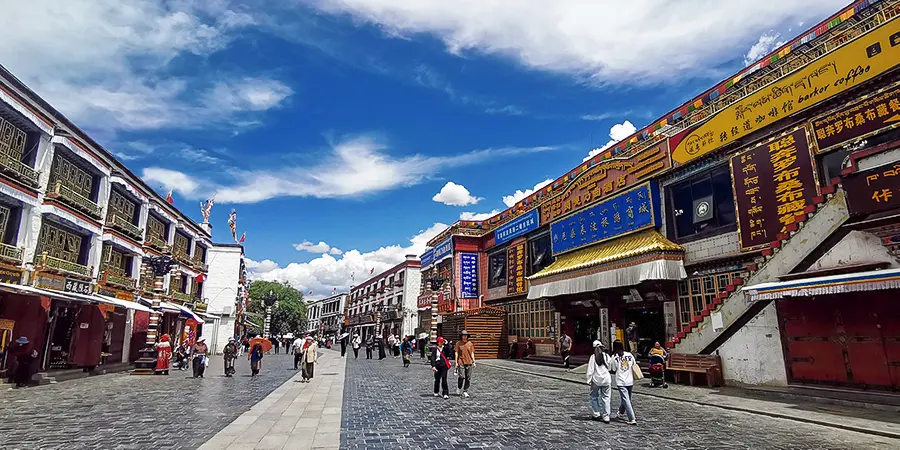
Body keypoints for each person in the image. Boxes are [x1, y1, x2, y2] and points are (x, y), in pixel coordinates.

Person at [586, 340, 612, 423]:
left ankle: (596, 413)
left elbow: (590, 370)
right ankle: (606, 416)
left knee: (594, 397)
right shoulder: (607, 356)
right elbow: (610, 367)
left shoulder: (593, 357)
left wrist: (589, 380)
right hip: (606, 380)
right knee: (606, 398)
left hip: (596, 380)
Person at [612, 340, 637, 425]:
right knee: (627, 399)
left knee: (626, 399)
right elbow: (634, 364)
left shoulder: (615, 357)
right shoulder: (629, 355)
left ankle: (632, 418)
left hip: (621, 381)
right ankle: (621, 413)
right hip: (630, 380)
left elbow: (613, 369)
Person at [454, 330, 476, 398]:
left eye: (466, 336)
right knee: (461, 376)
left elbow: (472, 353)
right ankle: (459, 387)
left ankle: (465, 391)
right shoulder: (458, 343)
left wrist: (474, 361)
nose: (464, 337)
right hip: (461, 361)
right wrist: (456, 362)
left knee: (468, 377)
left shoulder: (470, 343)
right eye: (463, 336)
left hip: (469, 362)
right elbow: (456, 353)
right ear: (461, 336)